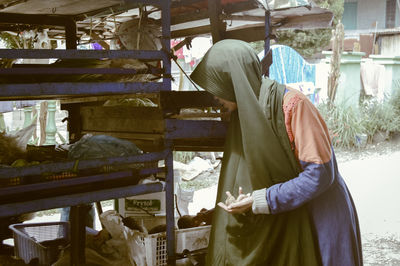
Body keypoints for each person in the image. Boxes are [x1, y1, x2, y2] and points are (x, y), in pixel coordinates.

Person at [189, 39, 362, 266]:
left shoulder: (292, 106)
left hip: (320, 216)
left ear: (235, 80)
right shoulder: (245, 113)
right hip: (286, 215)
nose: (214, 98)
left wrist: (262, 199)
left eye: (218, 87)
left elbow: (319, 175)